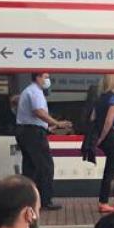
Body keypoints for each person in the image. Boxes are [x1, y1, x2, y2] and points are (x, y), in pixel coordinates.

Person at [16, 72, 72, 212]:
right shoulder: (35, 91)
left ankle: (28, 199)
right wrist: (57, 123)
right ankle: (45, 200)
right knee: (45, 166)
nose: (48, 80)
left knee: (31, 168)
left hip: (26, 131)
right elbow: (39, 112)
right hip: (32, 133)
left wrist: (49, 128)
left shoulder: (28, 91)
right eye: (45, 77)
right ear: (38, 78)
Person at [93, 74, 114, 214]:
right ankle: (103, 202)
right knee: (111, 170)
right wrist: (101, 137)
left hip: (106, 140)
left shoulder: (100, 98)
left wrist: (96, 138)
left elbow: (93, 118)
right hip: (112, 138)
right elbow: (109, 121)